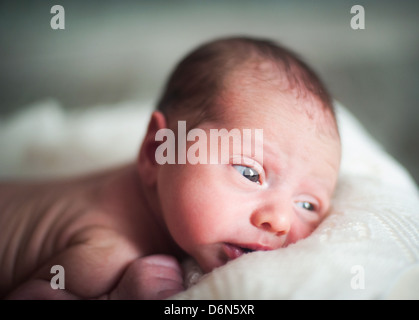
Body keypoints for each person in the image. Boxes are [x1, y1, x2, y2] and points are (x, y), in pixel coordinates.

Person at [0, 36, 341, 300]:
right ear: (157, 151)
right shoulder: (106, 257)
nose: (280, 221)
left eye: (307, 205)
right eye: (250, 173)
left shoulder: (165, 183)